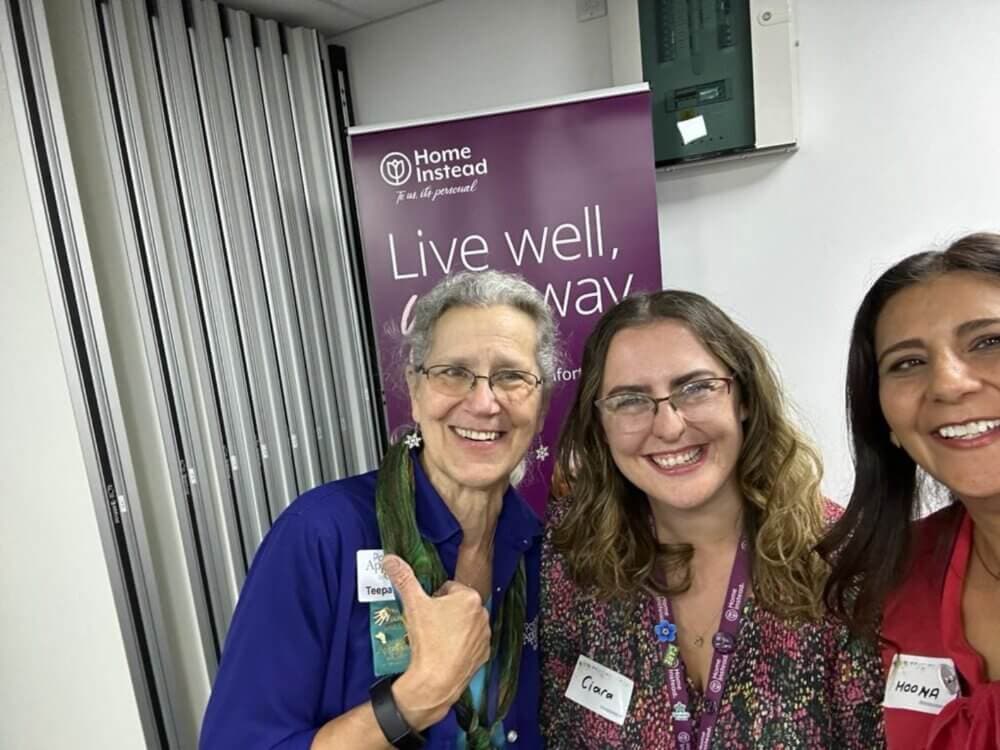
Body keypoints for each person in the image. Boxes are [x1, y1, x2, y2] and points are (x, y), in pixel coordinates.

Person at [200, 270, 559, 749]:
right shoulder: (322, 535)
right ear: (414, 388)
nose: (483, 402)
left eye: (511, 376)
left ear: (541, 402)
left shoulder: (540, 548)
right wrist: (414, 698)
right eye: (453, 372)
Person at [540, 290, 884, 749]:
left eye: (696, 388)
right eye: (629, 400)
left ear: (742, 398)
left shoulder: (843, 558)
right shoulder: (571, 556)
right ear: (600, 425)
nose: (668, 427)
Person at [821, 232, 1000, 749]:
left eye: (989, 341)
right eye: (907, 363)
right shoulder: (894, 573)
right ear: (888, 425)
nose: (948, 383)